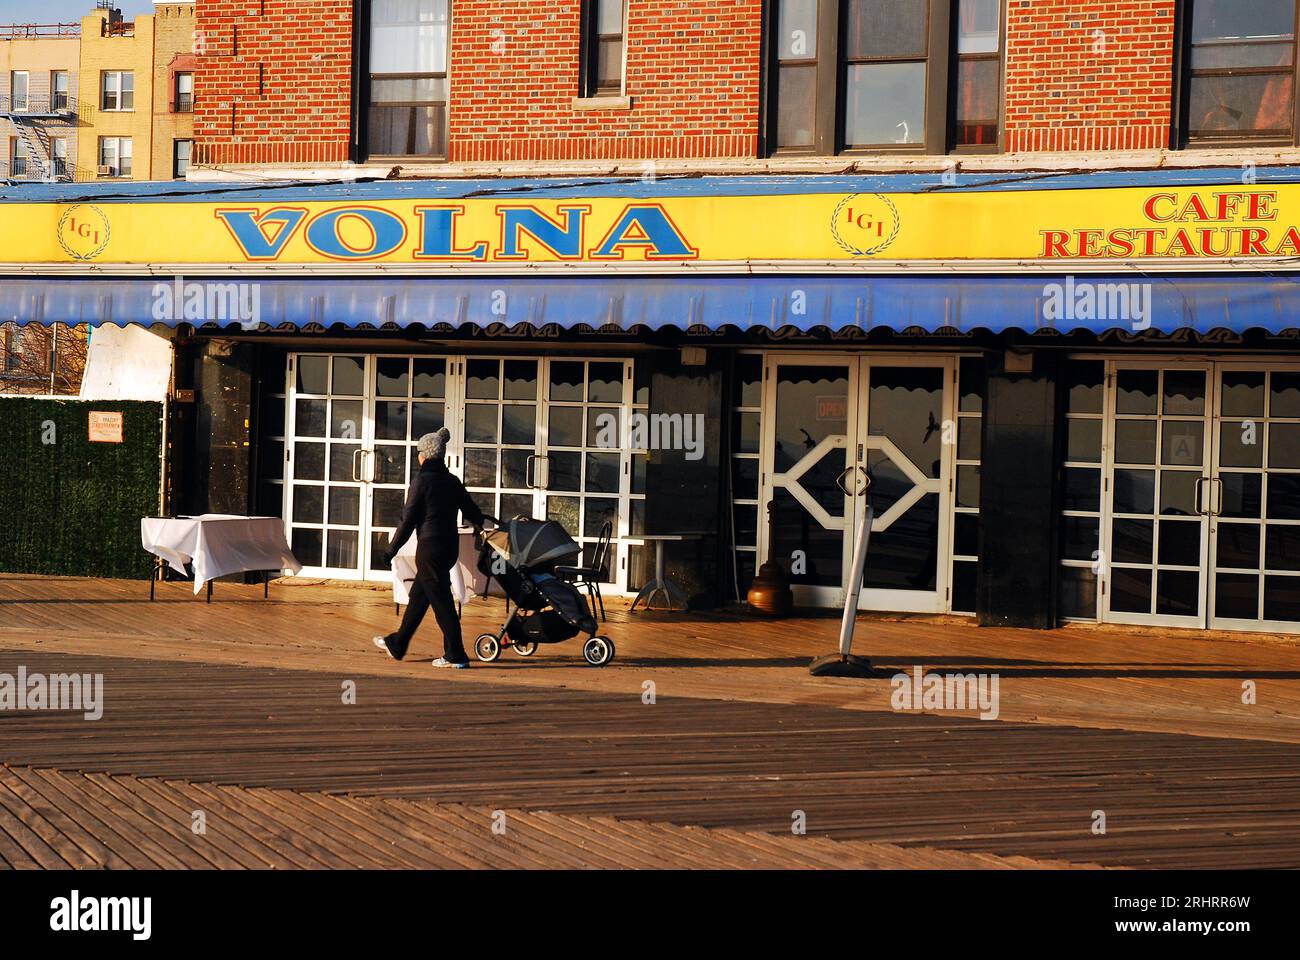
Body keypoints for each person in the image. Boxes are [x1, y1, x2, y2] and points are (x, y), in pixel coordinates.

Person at [372, 427, 485, 668]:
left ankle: (456, 655)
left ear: (423, 455)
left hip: (430, 548)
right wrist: (480, 523)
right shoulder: (452, 481)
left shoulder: (421, 481)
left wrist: (390, 550)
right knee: (419, 597)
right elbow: (473, 511)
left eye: (418, 453)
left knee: (442, 603)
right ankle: (398, 643)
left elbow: (408, 520)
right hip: (448, 548)